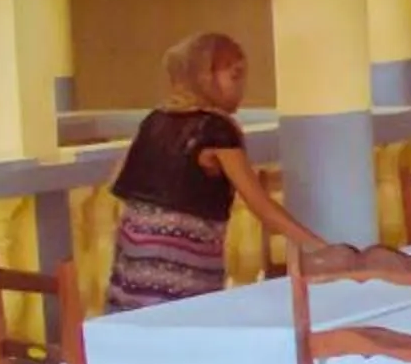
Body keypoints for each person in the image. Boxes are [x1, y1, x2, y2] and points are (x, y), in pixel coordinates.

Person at [103, 32, 322, 312]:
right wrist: (317, 246)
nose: (241, 87)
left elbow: (123, 180)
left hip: (132, 254)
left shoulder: (155, 119)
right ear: (205, 77)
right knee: (185, 334)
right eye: (234, 76)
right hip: (180, 265)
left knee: (143, 333)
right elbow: (261, 206)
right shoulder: (216, 129)